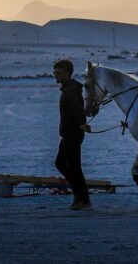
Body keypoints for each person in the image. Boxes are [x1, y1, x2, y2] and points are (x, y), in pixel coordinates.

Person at [53, 58, 92, 210]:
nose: (56, 75)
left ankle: (83, 199)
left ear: (68, 73)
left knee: (74, 167)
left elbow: (77, 109)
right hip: (68, 134)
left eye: (59, 73)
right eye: (55, 73)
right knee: (61, 164)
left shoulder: (71, 90)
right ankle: (80, 195)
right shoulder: (68, 88)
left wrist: (82, 124)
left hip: (73, 134)